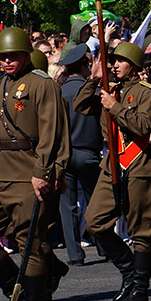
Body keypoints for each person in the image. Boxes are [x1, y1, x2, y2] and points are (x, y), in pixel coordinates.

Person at [0, 27, 69, 301]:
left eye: (13, 56)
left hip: (29, 174)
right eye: (2, 56)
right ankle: (22, 295)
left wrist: (44, 172)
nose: (7, 61)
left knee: (33, 244)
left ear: (26, 54)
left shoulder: (43, 85)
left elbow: (53, 132)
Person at [73, 41, 151, 301]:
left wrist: (115, 106)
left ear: (134, 66)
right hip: (112, 165)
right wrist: (94, 78)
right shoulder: (108, 89)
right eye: (112, 61)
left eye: (119, 61)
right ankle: (129, 270)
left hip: (138, 164)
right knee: (95, 221)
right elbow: (80, 106)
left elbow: (143, 125)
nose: (114, 65)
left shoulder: (145, 92)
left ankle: (140, 287)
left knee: (141, 230)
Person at [56, 44, 104, 267]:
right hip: (88, 152)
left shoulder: (60, 92)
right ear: (85, 67)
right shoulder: (92, 90)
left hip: (65, 153)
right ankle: (104, 244)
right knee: (97, 201)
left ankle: (74, 253)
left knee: (68, 207)